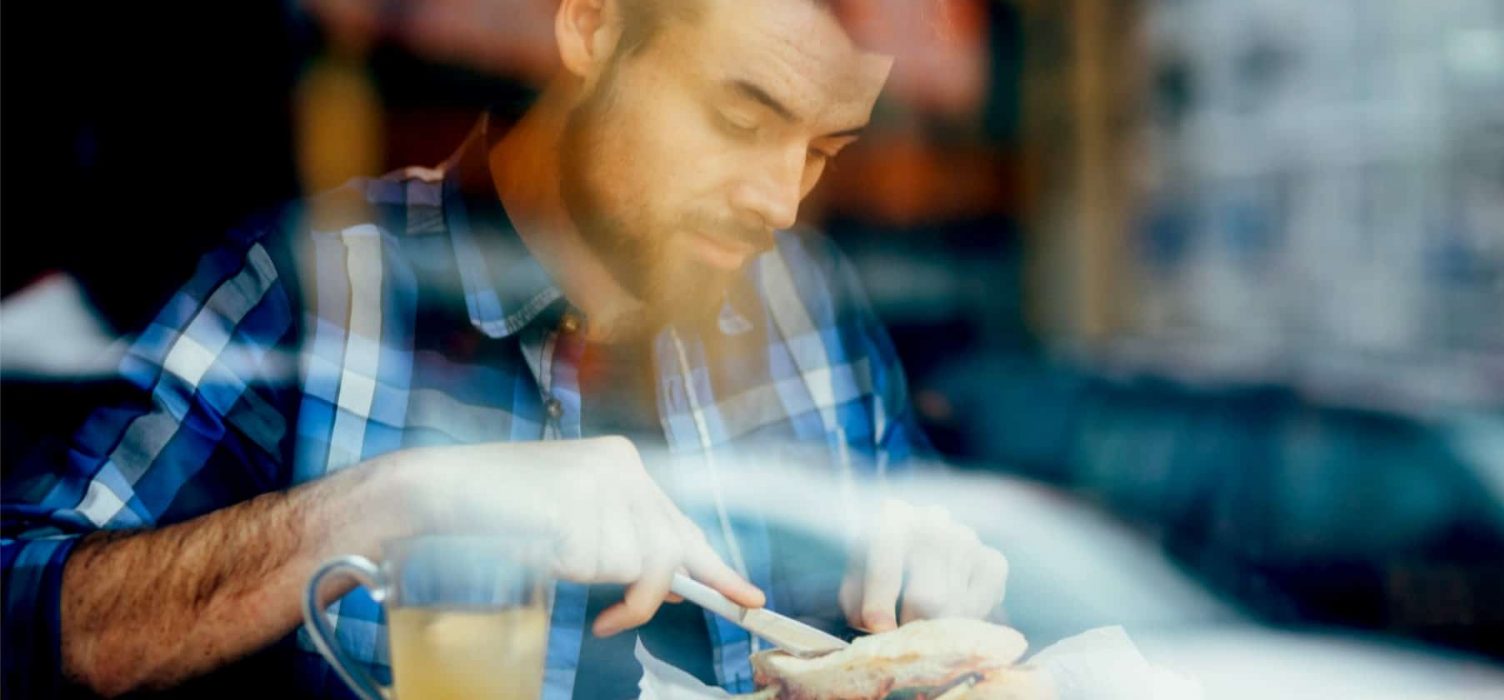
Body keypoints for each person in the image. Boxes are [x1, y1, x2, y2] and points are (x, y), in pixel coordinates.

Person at [1, 0, 1009, 697]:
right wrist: (403, 502)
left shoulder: (810, 313)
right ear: (591, 24)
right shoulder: (312, 291)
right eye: (739, 117)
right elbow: (23, 614)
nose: (781, 200)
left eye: (827, 148)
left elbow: (921, 626)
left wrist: (928, 601)